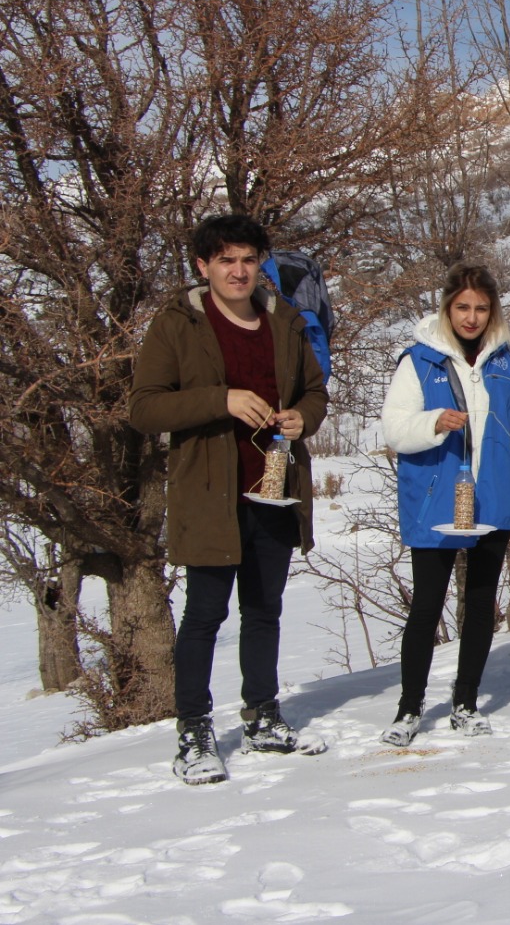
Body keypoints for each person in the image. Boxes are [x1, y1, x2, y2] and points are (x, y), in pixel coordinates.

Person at [130, 214, 329, 786]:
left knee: (264, 609)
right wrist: (221, 399)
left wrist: (301, 419)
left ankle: (262, 714)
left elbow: (315, 391)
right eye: (226, 261)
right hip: (209, 492)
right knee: (205, 616)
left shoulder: (284, 320)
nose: (239, 271)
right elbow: (144, 407)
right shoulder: (178, 325)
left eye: (247, 260)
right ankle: (193, 730)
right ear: (203, 267)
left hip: (273, 489)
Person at [378, 264, 510, 745]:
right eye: (463, 307)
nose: (471, 318)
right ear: (447, 308)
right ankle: (409, 709)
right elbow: (394, 429)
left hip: (490, 493)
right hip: (436, 498)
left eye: (481, 308)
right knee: (427, 606)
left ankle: (466, 701)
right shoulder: (419, 360)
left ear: (492, 311)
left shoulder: (506, 359)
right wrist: (433, 422)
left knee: (479, 604)